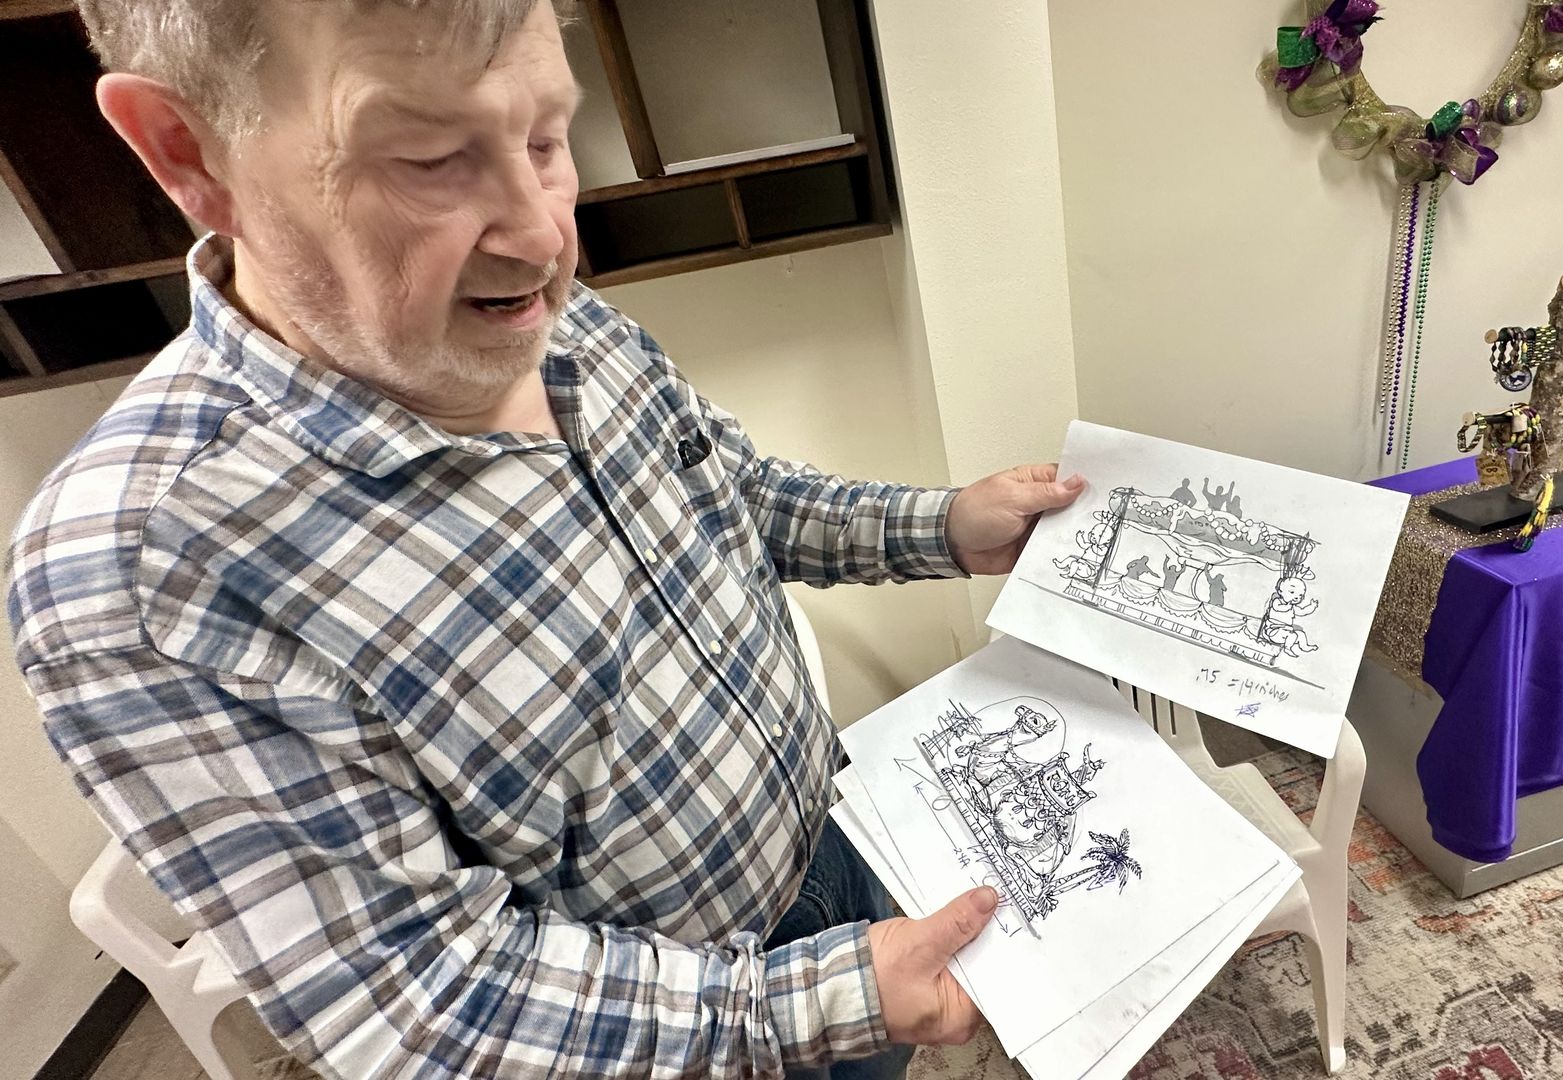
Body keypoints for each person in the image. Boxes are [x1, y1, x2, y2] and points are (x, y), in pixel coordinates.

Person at [6, 3, 1088, 1078]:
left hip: (848, 848)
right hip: (696, 1044)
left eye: (544, 138)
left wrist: (944, 524)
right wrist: (818, 1005)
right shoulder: (144, 569)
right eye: (431, 158)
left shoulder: (550, 315)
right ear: (187, 152)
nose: (542, 236)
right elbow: (428, 1006)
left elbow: (734, 498)